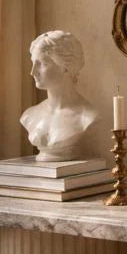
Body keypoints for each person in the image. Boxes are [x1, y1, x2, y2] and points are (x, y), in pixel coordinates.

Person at [20, 30, 100, 161]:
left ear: (66, 67)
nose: (32, 72)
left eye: (43, 63)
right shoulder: (29, 115)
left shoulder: (87, 116)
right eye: (34, 63)